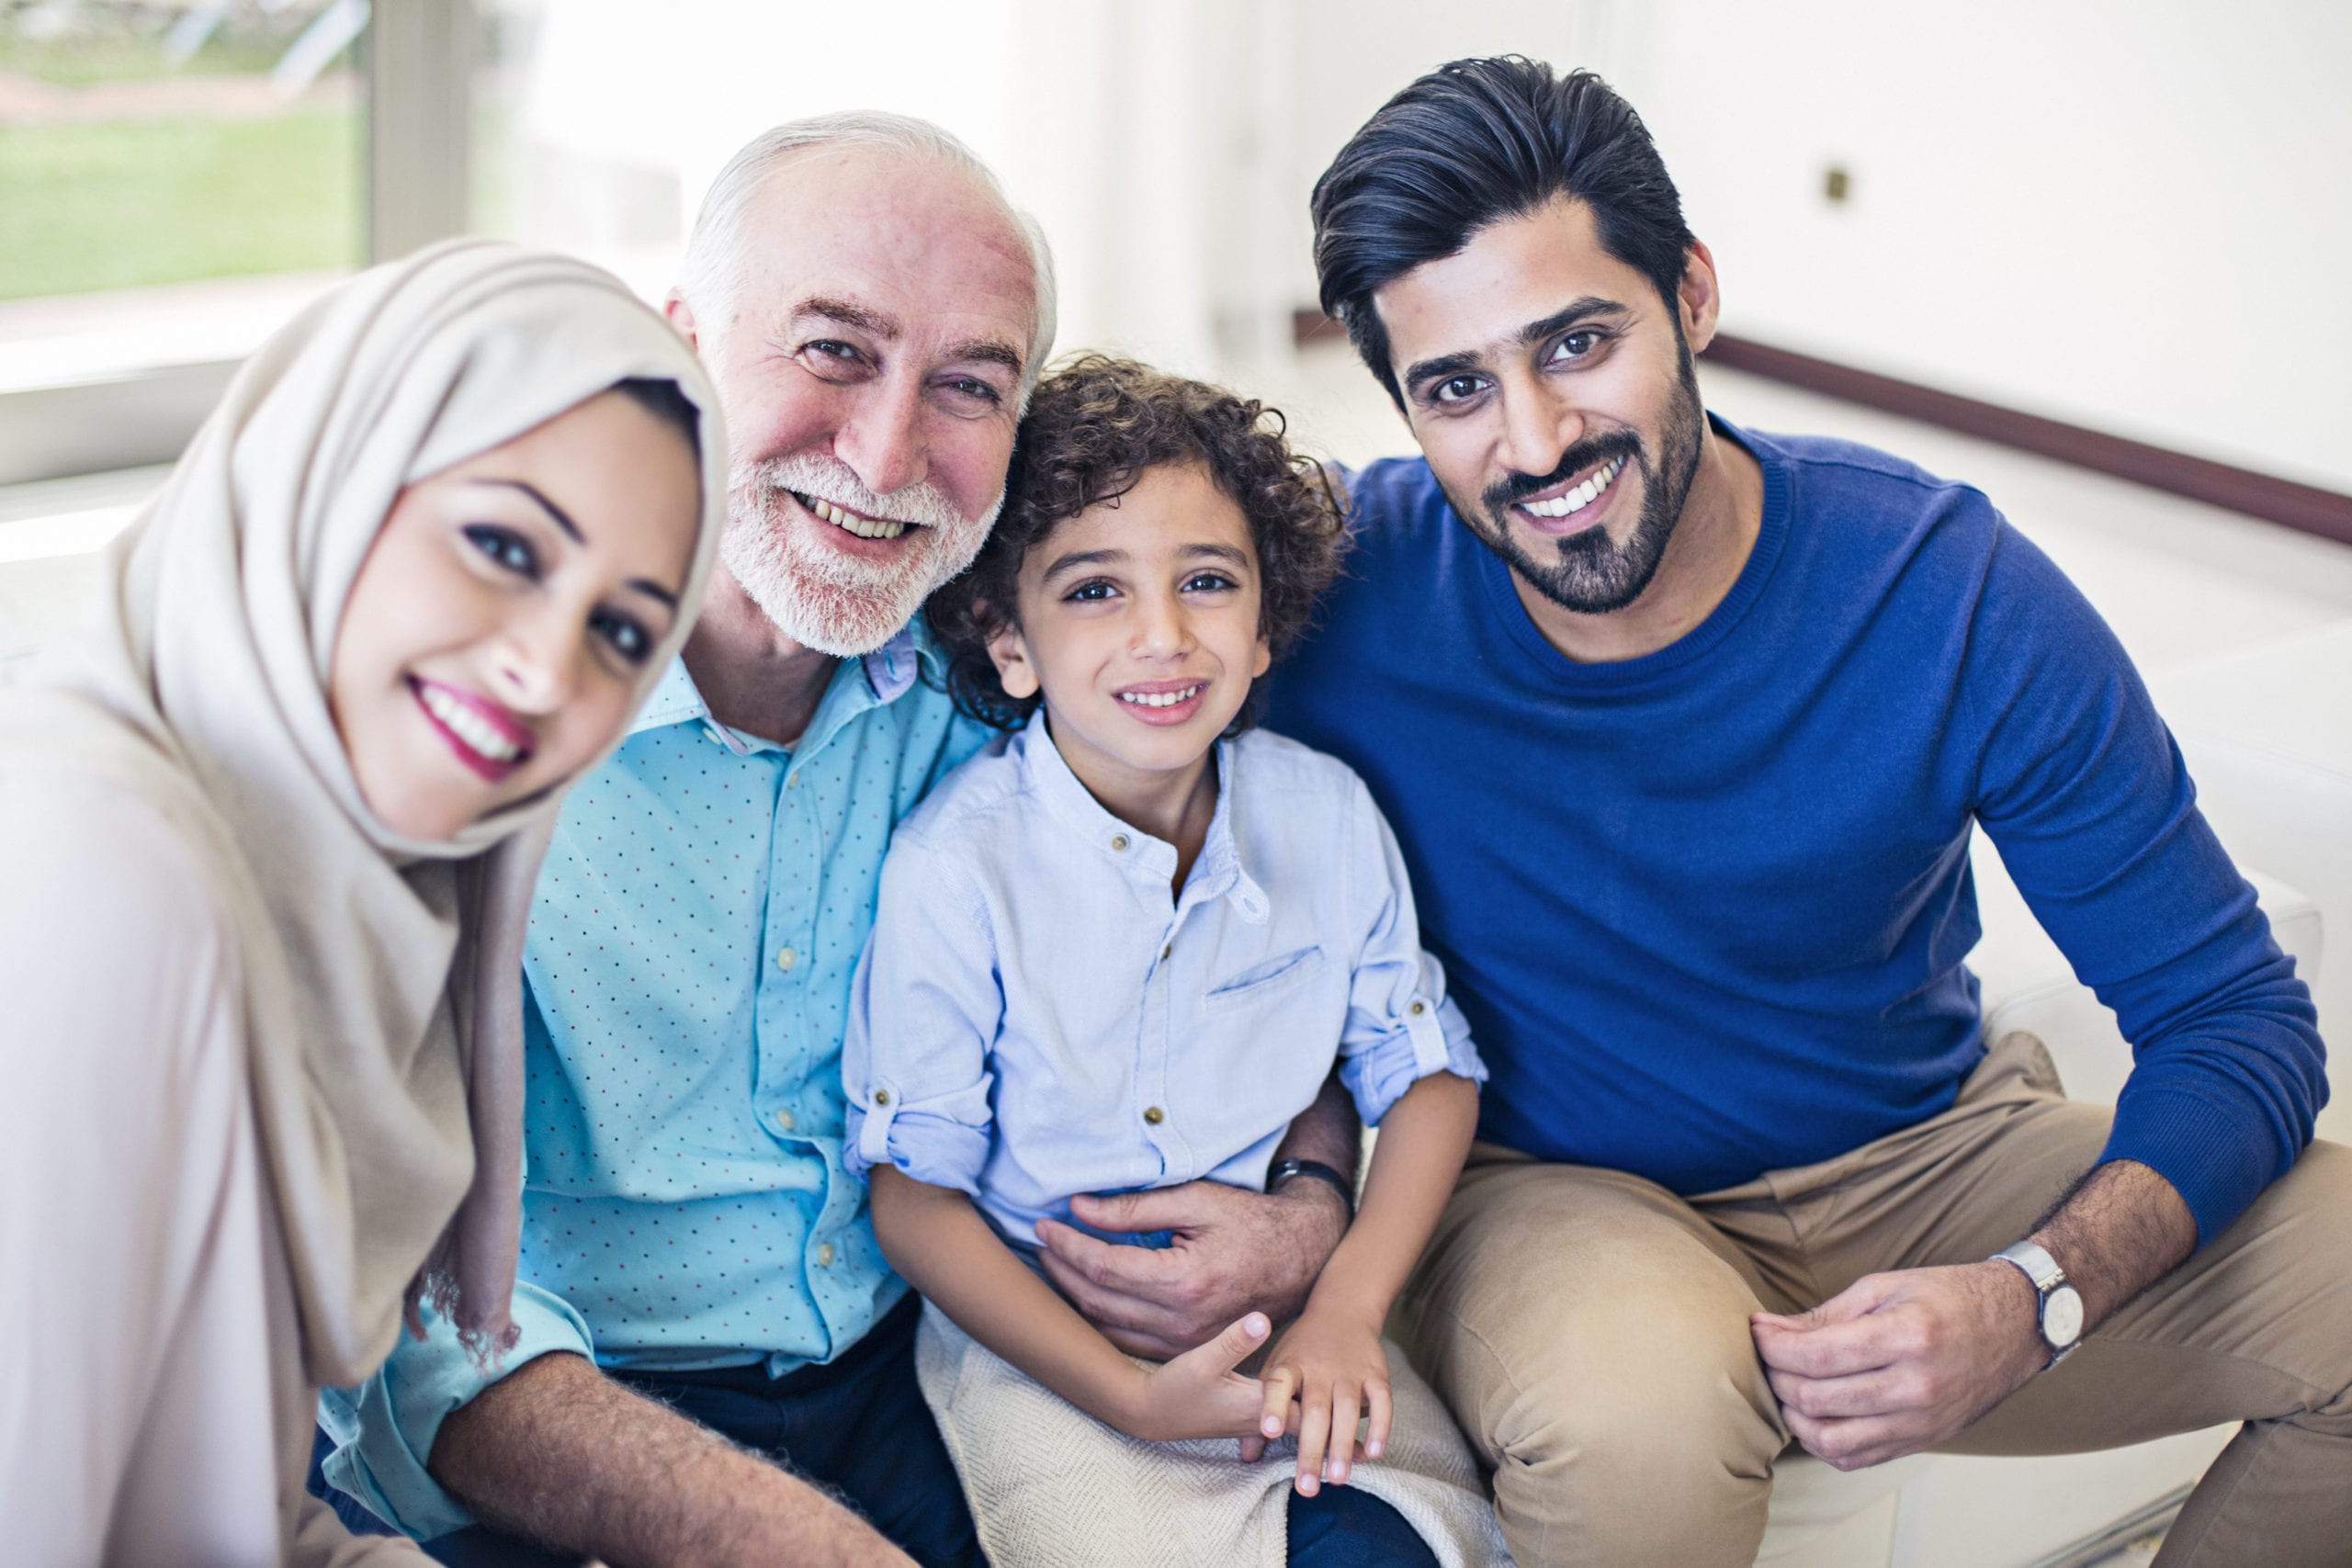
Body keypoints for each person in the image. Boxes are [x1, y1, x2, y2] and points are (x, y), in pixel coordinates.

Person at [1261, 56, 2351, 1567]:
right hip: (1554, 1190)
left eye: (1578, 343)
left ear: (1693, 294)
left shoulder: (1943, 586)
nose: (1532, 442)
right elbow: (1053, 607)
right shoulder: (1330, 587)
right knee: (1640, 1429)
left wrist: (2038, 1293)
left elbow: (2236, 1016)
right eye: (1456, 388)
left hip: (1922, 1152)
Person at [321, 115, 1380, 1568]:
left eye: (967, 385)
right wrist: (779, 1542)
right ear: (681, 349)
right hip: (551, 1435)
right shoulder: (449, 730)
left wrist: (1311, 1208)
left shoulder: (1006, 687)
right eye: (832, 351)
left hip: (917, 1376)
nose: (886, 454)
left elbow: (1264, 971)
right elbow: (404, 1329)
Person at [0, 240, 724, 1566]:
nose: (544, 666)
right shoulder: (105, 869)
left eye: (624, 632)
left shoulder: (336, 896)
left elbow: (225, 1519)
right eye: (504, 544)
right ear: (326, 481)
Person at [844, 355, 1506, 1567]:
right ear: (1008, 639)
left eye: (1207, 581)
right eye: (1095, 590)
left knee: (1403, 1549)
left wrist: (1351, 1308)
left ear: (1265, 630)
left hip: (1297, 1314)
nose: (1164, 635)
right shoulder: (956, 870)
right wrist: (1127, 1396)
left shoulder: (1328, 816)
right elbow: (914, 1200)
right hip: (1047, 1354)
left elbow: (1424, 1076)